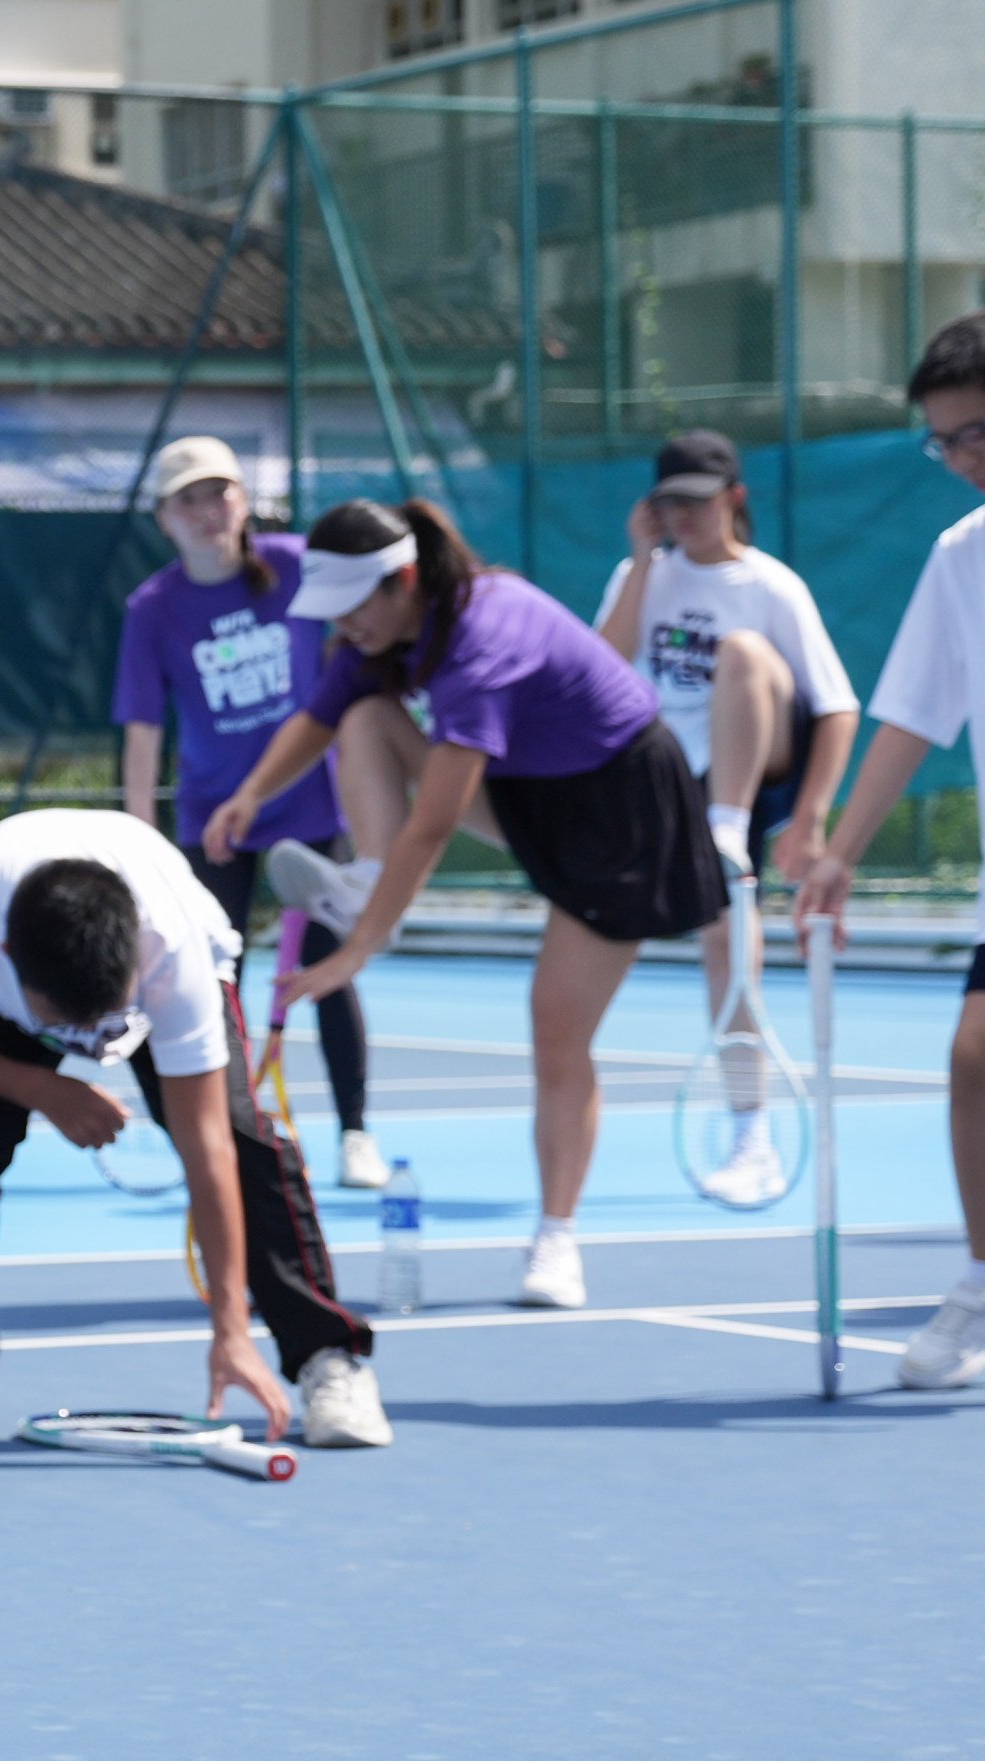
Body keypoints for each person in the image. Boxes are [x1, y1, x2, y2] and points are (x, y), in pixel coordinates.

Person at [205, 496, 724, 1315]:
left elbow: (435, 824)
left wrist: (356, 950)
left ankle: (556, 1236)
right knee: (367, 717)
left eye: (350, 606)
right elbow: (320, 717)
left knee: (556, 1025)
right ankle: (367, 883)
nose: (342, 626)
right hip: (532, 792)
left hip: (620, 810)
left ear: (402, 580)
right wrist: (249, 795)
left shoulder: (484, 636)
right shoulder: (378, 632)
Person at [0, 810, 387, 1449]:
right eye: (71, 1027)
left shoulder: (173, 953)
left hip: (166, 961)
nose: (92, 1046)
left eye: (107, 1018)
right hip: (9, 996)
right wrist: (41, 1087)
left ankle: (327, 1358)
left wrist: (230, 1328)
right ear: (7, 960)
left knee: (241, 1137)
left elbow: (208, 1152)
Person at [798, 308, 985, 1385]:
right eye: (946, 443)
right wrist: (839, 851)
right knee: (973, 1062)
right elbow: (911, 714)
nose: (964, 462)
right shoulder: (965, 558)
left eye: (979, 435)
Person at [594, 427, 856, 1202]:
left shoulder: (769, 587)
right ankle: (747, 1135)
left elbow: (836, 708)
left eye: (697, 504)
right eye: (668, 505)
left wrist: (806, 822)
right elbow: (597, 670)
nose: (682, 519)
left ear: (733, 500)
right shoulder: (639, 575)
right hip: (662, 782)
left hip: (751, 773)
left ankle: (753, 1138)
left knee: (742, 652)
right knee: (717, 952)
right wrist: (641, 563)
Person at [114, 434, 381, 1189]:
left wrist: (365, 792)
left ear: (242, 499)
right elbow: (143, 731)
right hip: (213, 818)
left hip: (308, 804)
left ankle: (355, 1131)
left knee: (330, 967)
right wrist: (143, 845)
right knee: (201, 981)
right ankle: (219, 1133)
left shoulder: (296, 568)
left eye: (218, 493)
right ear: (164, 517)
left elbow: (361, 648)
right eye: (187, 500)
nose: (206, 512)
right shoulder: (153, 609)